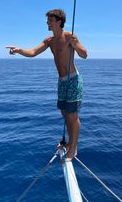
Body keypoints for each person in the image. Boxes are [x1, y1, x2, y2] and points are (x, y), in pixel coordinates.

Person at [6, 9, 87, 161]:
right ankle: (69, 144)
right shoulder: (49, 41)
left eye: (50, 20)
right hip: (62, 82)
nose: (47, 23)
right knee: (64, 113)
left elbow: (84, 54)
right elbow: (32, 52)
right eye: (48, 20)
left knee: (72, 115)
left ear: (58, 21)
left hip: (73, 80)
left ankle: (73, 149)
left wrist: (76, 46)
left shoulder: (69, 36)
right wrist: (19, 50)